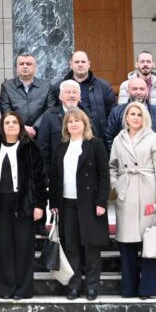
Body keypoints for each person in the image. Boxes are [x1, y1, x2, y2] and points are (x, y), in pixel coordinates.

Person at [0, 111, 47, 300]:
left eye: (14, 122)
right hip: (0, 202)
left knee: (24, 246)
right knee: (4, 246)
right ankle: (6, 288)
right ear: (2, 126)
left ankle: (23, 289)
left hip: (24, 202)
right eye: (7, 122)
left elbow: (41, 178)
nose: (10, 125)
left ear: (20, 125)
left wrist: (40, 204)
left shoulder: (30, 147)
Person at [109, 101, 156, 299]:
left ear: (145, 118)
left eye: (139, 114)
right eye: (132, 114)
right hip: (126, 193)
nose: (135, 118)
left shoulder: (153, 137)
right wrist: (116, 185)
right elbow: (112, 166)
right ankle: (129, 287)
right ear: (126, 117)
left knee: (149, 241)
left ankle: (148, 288)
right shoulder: (118, 139)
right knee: (126, 242)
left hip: (148, 191)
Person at [48, 107, 109, 301]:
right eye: (70, 121)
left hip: (90, 203)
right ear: (66, 126)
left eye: (77, 120)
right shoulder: (61, 147)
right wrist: (54, 202)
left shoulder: (95, 144)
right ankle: (74, 285)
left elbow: (104, 175)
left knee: (91, 246)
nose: (73, 124)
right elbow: (55, 177)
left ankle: (92, 286)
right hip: (66, 203)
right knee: (71, 246)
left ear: (85, 124)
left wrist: (101, 202)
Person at [53, 51, 116, 137]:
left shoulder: (103, 86)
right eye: (77, 62)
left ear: (88, 64)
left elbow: (113, 113)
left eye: (83, 62)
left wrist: (106, 134)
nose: (80, 64)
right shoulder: (59, 87)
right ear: (71, 64)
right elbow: (53, 112)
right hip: (68, 135)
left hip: (96, 135)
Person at [104, 77, 156, 154]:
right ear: (128, 91)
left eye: (142, 89)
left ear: (147, 91)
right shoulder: (116, 112)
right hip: (125, 158)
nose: (138, 92)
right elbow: (109, 137)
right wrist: (119, 156)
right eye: (134, 89)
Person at [36, 80, 90, 174]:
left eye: (75, 92)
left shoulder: (88, 115)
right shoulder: (50, 116)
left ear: (80, 97)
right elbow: (43, 146)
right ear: (60, 96)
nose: (71, 95)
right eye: (68, 92)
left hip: (84, 171)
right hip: (58, 172)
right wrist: (48, 173)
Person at [0, 51, 55, 138]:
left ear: (35, 67)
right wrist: (22, 128)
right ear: (16, 67)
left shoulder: (46, 86)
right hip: (15, 135)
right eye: (21, 64)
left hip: (40, 134)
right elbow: (6, 111)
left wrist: (35, 127)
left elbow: (50, 109)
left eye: (29, 64)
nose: (25, 66)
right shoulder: (7, 86)